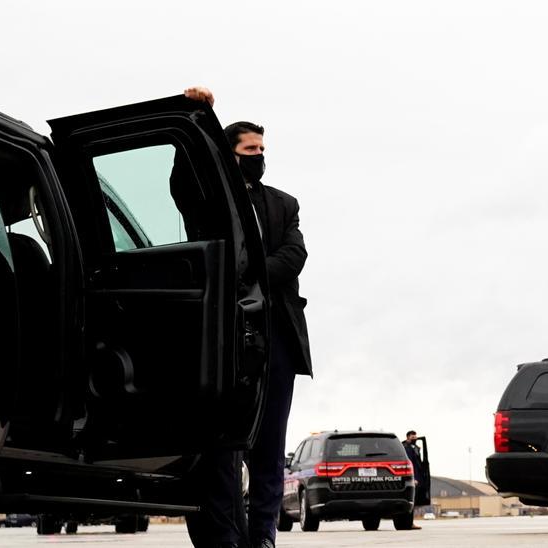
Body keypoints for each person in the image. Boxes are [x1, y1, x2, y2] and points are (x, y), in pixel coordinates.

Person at [183, 86, 313, 548]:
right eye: (249, 149)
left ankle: (264, 538)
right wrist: (199, 114)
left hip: (276, 336)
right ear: (230, 153)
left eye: (262, 149)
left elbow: (294, 255)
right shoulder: (210, 199)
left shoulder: (284, 203)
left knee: (270, 447)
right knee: (225, 445)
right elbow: (183, 182)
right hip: (226, 340)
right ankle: (228, 538)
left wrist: (249, 276)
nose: (258, 156)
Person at [402, 431, 428, 529]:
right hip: (413, 479)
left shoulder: (414, 448)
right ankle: (409, 523)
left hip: (418, 478)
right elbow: (411, 464)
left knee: (414, 501)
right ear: (408, 437)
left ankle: (410, 522)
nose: (415, 438)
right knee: (411, 501)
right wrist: (414, 478)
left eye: (415, 436)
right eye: (413, 437)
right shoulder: (407, 448)